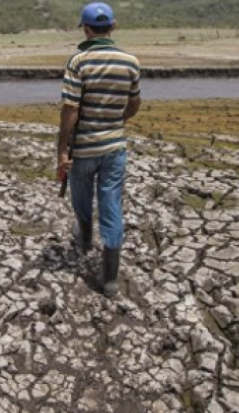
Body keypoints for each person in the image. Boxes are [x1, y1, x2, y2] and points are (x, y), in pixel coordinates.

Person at [57, 2, 141, 296]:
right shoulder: (131, 62)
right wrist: (116, 123)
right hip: (114, 148)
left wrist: (62, 150)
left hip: (84, 148)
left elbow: (70, 110)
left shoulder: (79, 61)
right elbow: (134, 104)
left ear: (86, 28)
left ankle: (85, 239)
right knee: (111, 204)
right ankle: (109, 279)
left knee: (81, 197)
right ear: (113, 27)